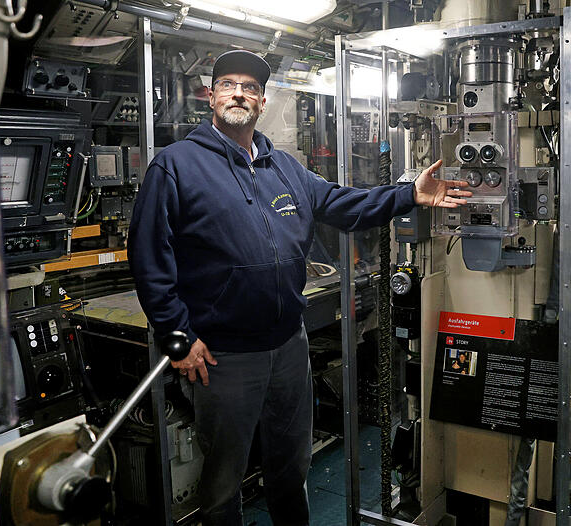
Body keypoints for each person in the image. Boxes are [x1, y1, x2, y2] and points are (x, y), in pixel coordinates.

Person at [128, 49, 471, 526]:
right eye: (228, 84)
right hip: (223, 355)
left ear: (262, 102)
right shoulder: (176, 165)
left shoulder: (284, 167)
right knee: (224, 481)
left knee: (291, 467)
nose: (239, 94)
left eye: (250, 88)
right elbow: (149, 256)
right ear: (211, 96)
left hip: (289, 345)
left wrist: (408, 194)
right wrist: (178, 337)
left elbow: (342, 204)